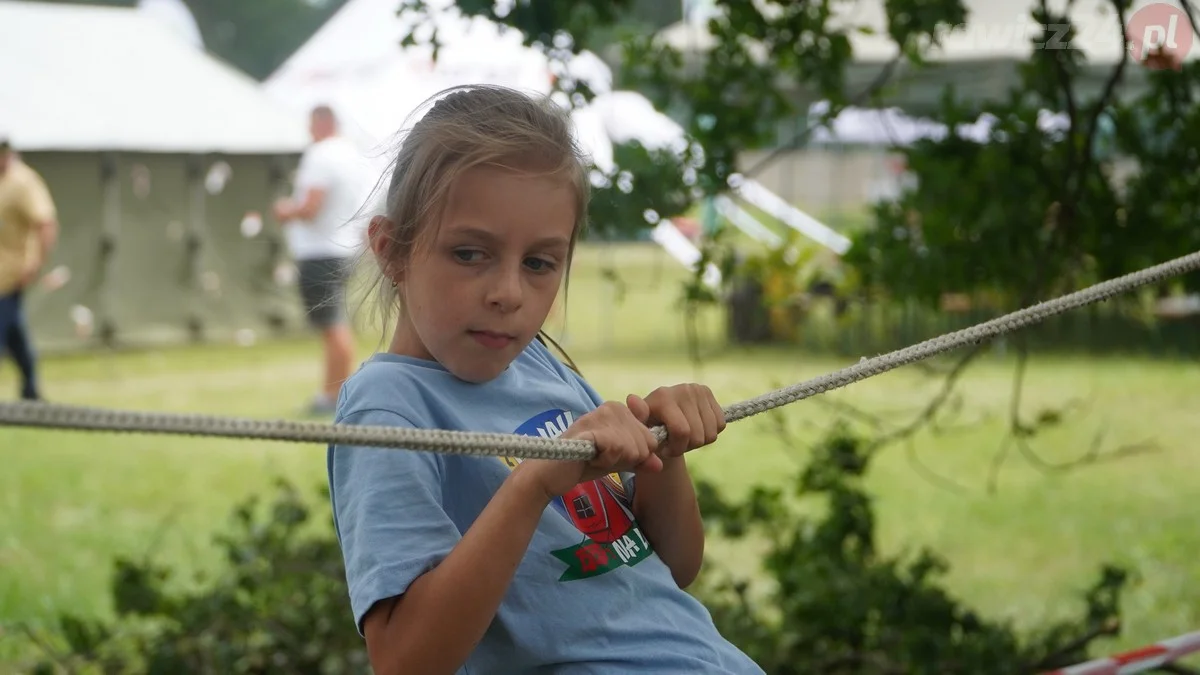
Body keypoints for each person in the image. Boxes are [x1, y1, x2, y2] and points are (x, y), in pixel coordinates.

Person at [328, 85, 765, 675]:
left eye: (539, 264)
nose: (508, 293)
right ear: (391, 251)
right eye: (469, 253)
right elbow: (406, 660)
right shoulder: (389, 411)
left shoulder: (537, 365)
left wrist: (668, 451)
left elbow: (671, 568)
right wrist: (533, 485)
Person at [273, 105, 371, 416]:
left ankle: (335, 395)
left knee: (331, 326)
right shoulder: (354, 156)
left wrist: (285, 209)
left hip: (321, 251)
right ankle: (333, 392)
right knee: (335, 323)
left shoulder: (320, 155)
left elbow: (311, 207)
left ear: (321, 122)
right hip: (346, 248)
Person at [0, 138, 58, 402]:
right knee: (15, 334)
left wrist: (35, 264)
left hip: (10, 276)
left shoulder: (23, 182)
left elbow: (45, 223)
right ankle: (31, 390)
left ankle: (31, 389)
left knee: (6, 328)